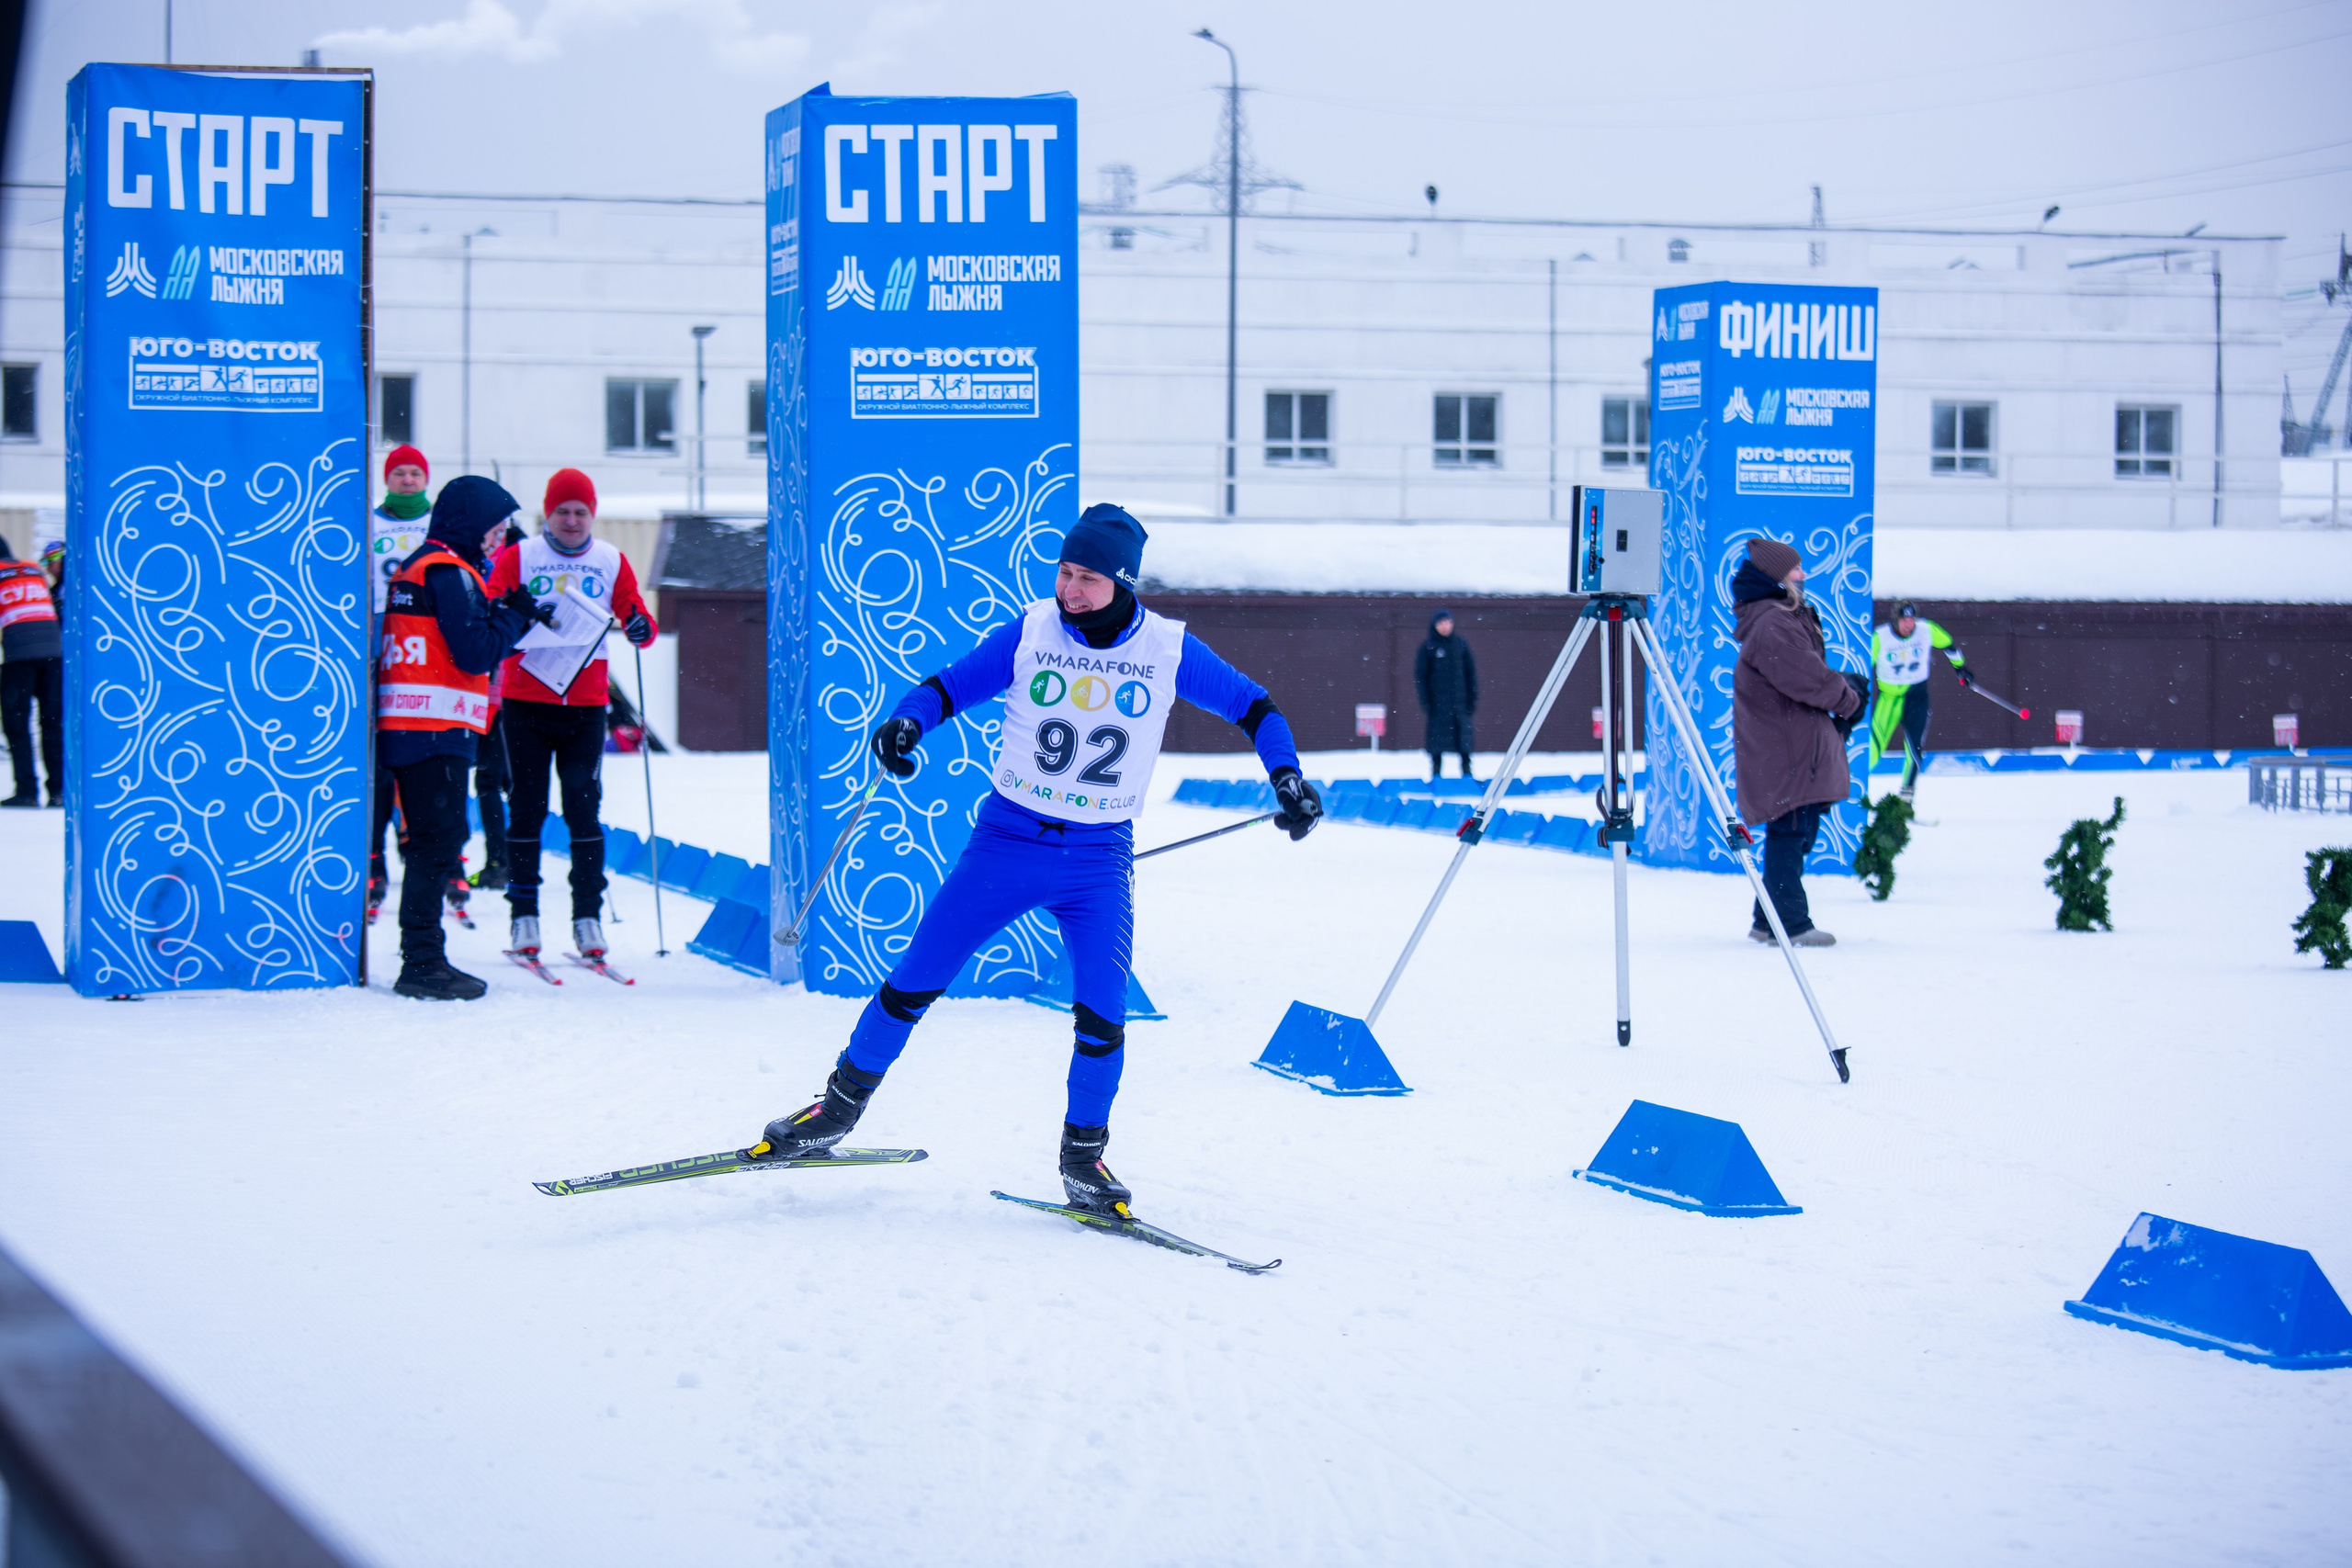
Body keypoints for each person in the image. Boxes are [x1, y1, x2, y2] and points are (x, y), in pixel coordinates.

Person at [749, 503, 1322, 1214]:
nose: (1070, 589)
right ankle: (833, 1112)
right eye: (1065, 571)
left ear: (1124, 582)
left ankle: (1084, 1158)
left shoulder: (1168, 648)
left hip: (1098, 858)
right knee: (914, 980)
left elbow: (1255, 707)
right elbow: (946, 687)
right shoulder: (1033, 631)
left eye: (1087, 577)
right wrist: (905, 722)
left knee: (1103, 1012)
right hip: (1007, 840)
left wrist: (1287, 775)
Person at [377, 477, 550, 999]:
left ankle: (426, 956)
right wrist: (516, 616)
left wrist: (501, 617)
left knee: (435, 843)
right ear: (470, 523)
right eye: (494, 528)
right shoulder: (448, 570)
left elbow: (460, 636)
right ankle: (422, 962)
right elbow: (473, 652)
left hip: (420, 723)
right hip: (431, 725)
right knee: (437, 845)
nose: (499, 538)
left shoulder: (428, 565)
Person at [484, 468, 657, 962]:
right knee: (527, 807)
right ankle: (524, 916)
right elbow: (491, 607)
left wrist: (641, 626)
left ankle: (587, 918)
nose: (572, 520)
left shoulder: (609, 560)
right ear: (548, 514)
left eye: (581, 511)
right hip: (526, 700)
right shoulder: (519, 557)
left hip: (584, 704)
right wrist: (512, 609)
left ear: (592, 515)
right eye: (563, 511)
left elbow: (635, 613)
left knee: (585, 811)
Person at [1731, 537, 1864, 949]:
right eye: (1795, 569)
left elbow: (1802, 673)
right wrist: (1848, 699)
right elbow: (1804, 677)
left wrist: (1845, 690)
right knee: (1791, 830)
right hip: (1786, 745)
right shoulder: (1773, 622)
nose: (1803, 575)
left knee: (1798, 829)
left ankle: (1765, 919)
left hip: (1790, 739)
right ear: (1776, 576)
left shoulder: (1778, 617)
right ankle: (1790, 923)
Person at [369, 446, 435, 920]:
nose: (408, 480)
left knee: (417, 746)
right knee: (380, 753)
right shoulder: (369, 521)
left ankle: (423, 849)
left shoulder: (437, 524)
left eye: (415, 473)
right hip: (379, 637)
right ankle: (373, 855)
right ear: (387, 479)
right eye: (399, 473)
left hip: (423, 641)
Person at [1869, 601, 1970, 803]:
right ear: (1895, 620)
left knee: (1915, 749)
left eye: (1911, 619)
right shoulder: (1880, 637)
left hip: (1917, 696)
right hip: (1890, 699)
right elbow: (1863, 665)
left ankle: (1906, 800)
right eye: (1904, 620)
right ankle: (1850, 789)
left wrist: (1960, 668)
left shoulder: (1926, 630)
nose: (1908, 624)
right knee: (1873, 747)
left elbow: (1949, 645)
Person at [1, 535, 64, 808]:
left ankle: (27, 791)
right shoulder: (32, 568)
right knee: (51, 724)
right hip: (54, 656)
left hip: (20, 657)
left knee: (17, 725)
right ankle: (58, 792)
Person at [1414, 608, 1478, 782]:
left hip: (1460, 705)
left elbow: (1470, 674)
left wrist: (1471, 699)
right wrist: (1427, 702)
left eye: (1448, 622)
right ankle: (1436, 775)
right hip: (1438, 707)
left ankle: (1467, 773)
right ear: (1435, 625)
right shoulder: (1429, 647)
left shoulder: (1461, 645)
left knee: (1463, 741)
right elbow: (1421, 677)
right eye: (1441, 623)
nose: (1445, 626)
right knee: (1437, 742)